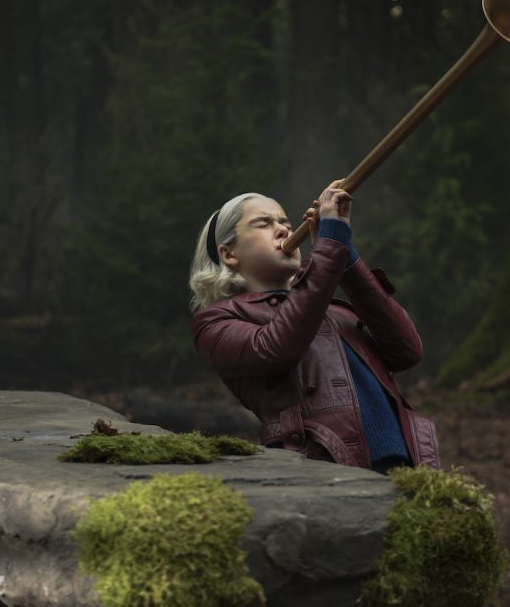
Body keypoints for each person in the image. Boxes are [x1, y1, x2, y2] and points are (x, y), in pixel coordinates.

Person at [188, 181, 440, 474]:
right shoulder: (216, 320)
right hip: (322, 472)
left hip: (405, 466)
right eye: (264, 224)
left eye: (285, 221)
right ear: (229, 254)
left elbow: (406, 351)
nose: (283, 229)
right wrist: (329, 248)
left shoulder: (334, 311)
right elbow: (278, 347)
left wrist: (344, 253)